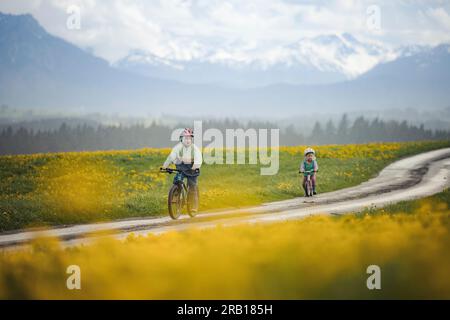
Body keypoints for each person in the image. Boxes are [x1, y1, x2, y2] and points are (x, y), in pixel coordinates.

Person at [161, 128, 203, 212]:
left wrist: (195, 167)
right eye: (186, 138)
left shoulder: (194, 148)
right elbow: (171, 157)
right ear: (181, 139)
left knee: (192, 186)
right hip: (182, 167)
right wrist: (164, 166)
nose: (188, 140)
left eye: (190, 139)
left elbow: (198, 159)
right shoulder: (177, 148)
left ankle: (193, 205)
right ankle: (176, 194)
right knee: (177, 180)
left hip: (192, 168)